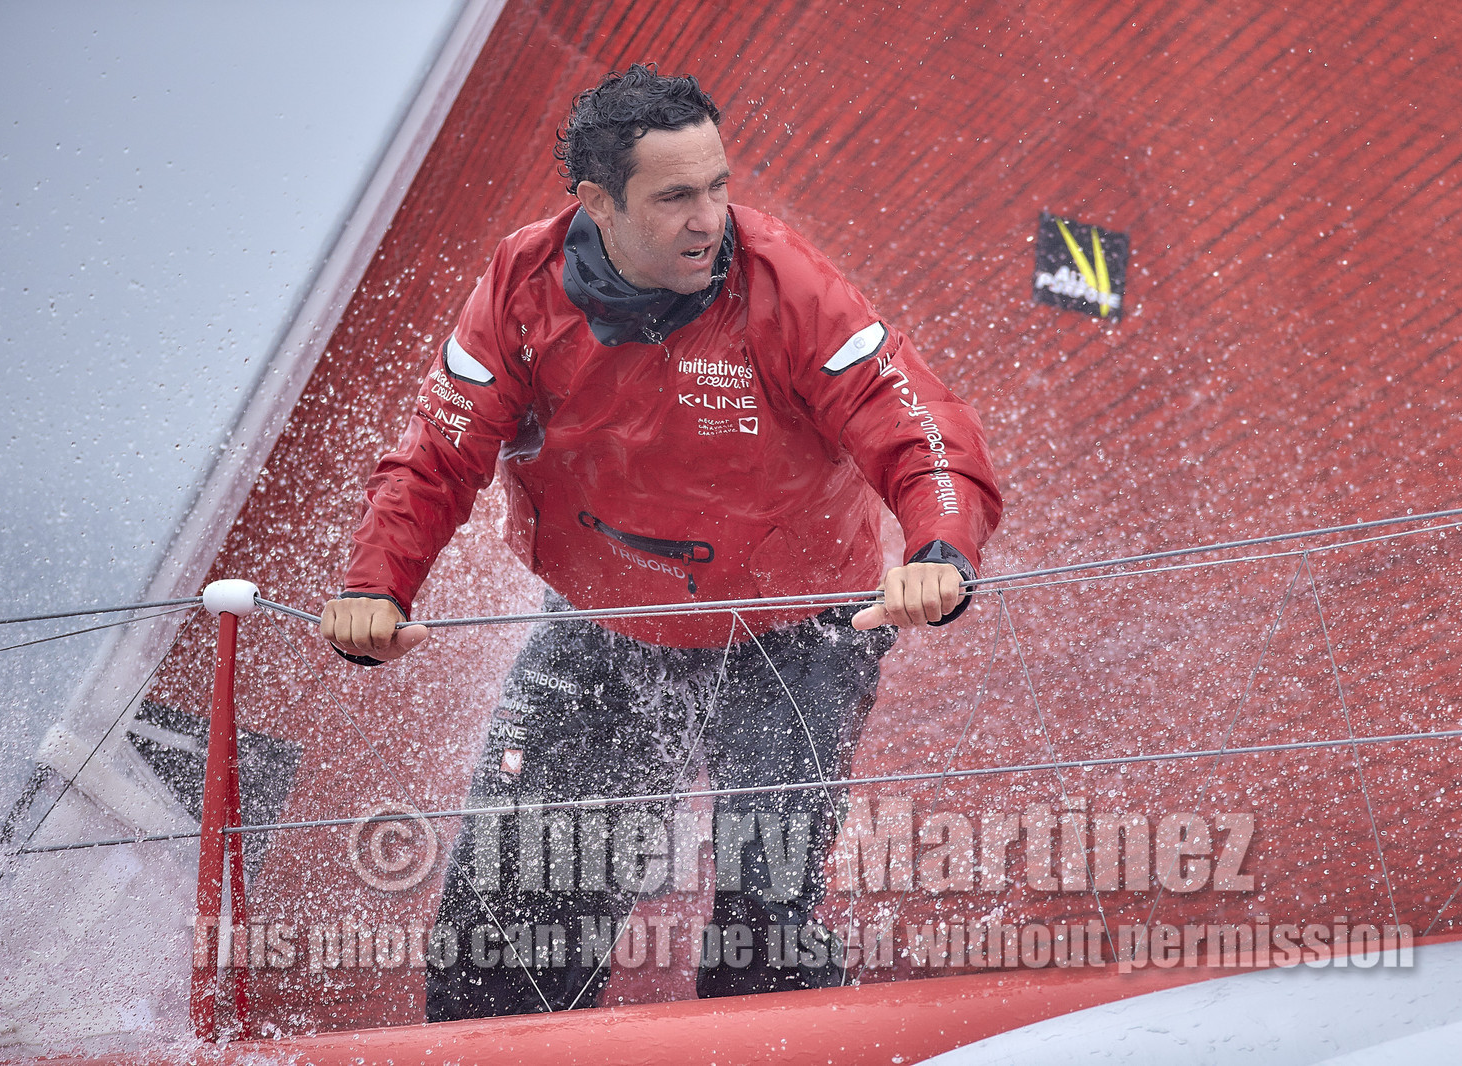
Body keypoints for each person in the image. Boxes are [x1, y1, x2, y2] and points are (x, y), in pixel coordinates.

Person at [320, 65, 1001, 1019]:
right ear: (597, 201)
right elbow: (436, 450)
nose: (710, 217)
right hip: (609, 625)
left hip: (799, 635)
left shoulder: (787, 284)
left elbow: (916, 420)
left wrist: (940, 549)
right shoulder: (524, 284)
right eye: (677, 195)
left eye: (720, 185)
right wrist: (377, 587)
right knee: (506, 934)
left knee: (760, 937)